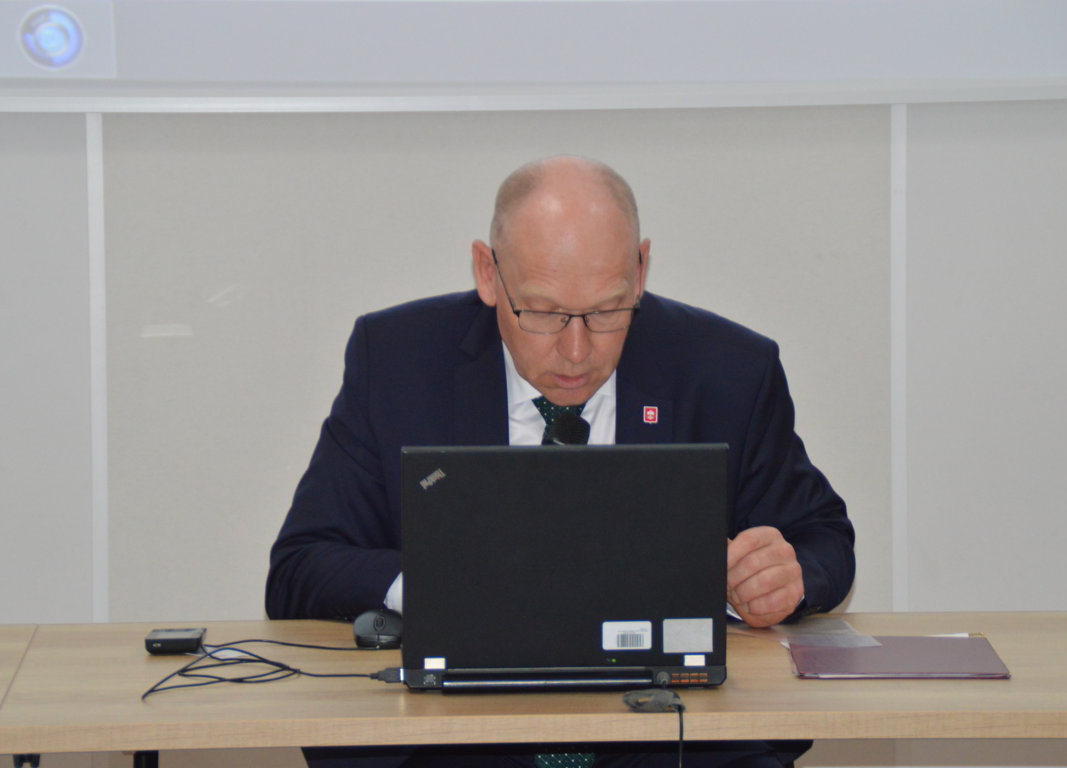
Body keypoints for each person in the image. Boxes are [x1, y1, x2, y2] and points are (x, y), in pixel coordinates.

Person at [267, 156, 855, 767]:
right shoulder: (397, 363)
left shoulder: (727, 370)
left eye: (607, 311)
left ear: (641, 271)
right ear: (488, 273)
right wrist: (440, 590)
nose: (576, 351)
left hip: (671, 735)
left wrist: (785, 578)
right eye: (544, 313)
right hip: (459, 740)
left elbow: (824, 538)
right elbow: (300, 567)